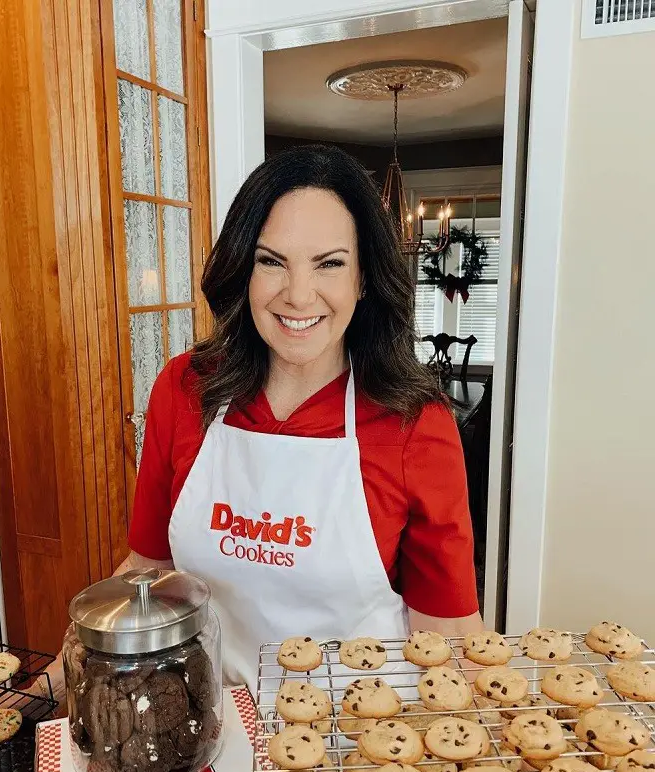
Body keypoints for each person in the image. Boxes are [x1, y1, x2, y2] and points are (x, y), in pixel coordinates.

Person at [38, 144, 481, 703]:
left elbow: (447, 633)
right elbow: (148, 571)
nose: (298, 294)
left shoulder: (416, 425)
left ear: (363, 279)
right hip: (211, 728)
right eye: (272, 261)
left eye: (330, 263)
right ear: (244, 267)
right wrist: (58, 675)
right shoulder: (185, 391)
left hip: (361, 740)